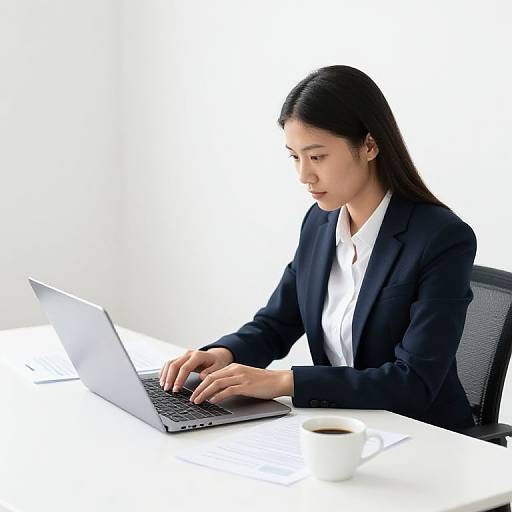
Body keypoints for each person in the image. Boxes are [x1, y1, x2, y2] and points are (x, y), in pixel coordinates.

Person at [159, 65, 477, 433]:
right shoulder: (320, 223)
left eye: (317, 157)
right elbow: (276, 322)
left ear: (370, 145)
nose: (304, 175)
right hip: (340, 430)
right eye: (294, 157)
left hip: (425, 437)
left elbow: (414, 382)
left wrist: (284, 382)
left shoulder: (441, 238)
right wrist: (222, 355)